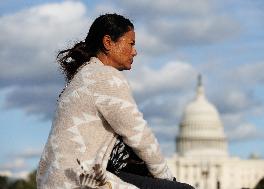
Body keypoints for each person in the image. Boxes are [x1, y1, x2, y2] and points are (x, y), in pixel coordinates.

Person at [36, 13, 194, 189]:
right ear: (108, 42)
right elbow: (139, 135)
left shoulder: (82, 76)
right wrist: (167, 178)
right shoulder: (105, 77)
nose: (135, 51)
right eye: (131, 44)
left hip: (56, 179)